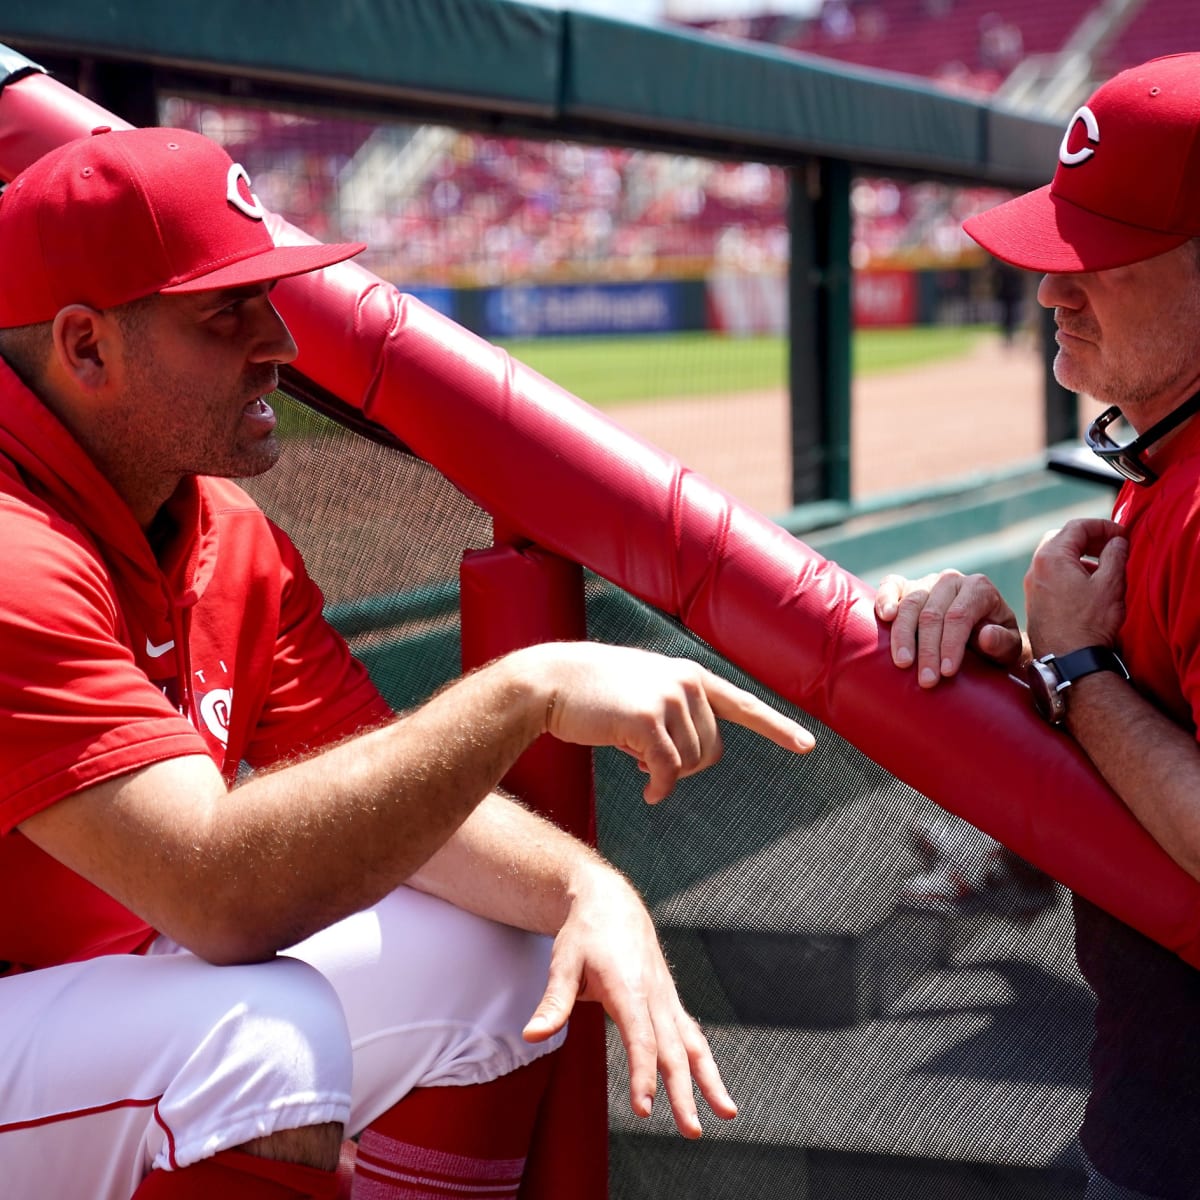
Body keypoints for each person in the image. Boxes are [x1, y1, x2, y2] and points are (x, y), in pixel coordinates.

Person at [0, 125, 816, 1200]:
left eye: (269, 299)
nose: (281, 341)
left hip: (86, 999)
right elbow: (219, 893)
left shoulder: (220, 529)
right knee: (256, 1044)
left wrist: (586, 888)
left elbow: (378, 778)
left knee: (499, 953)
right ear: (86, 348)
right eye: (226, 312)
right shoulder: (14, 549)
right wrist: (528, 690)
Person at [873, 54, 1200, 1199]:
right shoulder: (1163, 464)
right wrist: (1026, 668)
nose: (1053, 290)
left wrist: (1081, 671)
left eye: (1100, 258)